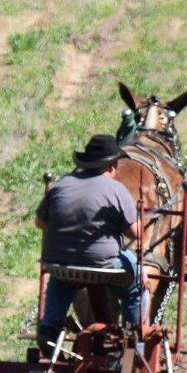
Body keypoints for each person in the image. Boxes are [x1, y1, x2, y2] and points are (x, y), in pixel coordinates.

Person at [34, 135, 145, 356]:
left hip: (60, 264)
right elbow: (135, 233)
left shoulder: (61, 185)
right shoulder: (116, 189)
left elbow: (40, 222)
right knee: (136, 282)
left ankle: (48, 328)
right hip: (104, 266)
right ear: (111, 166)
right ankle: (136, 334)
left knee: (60, 281)